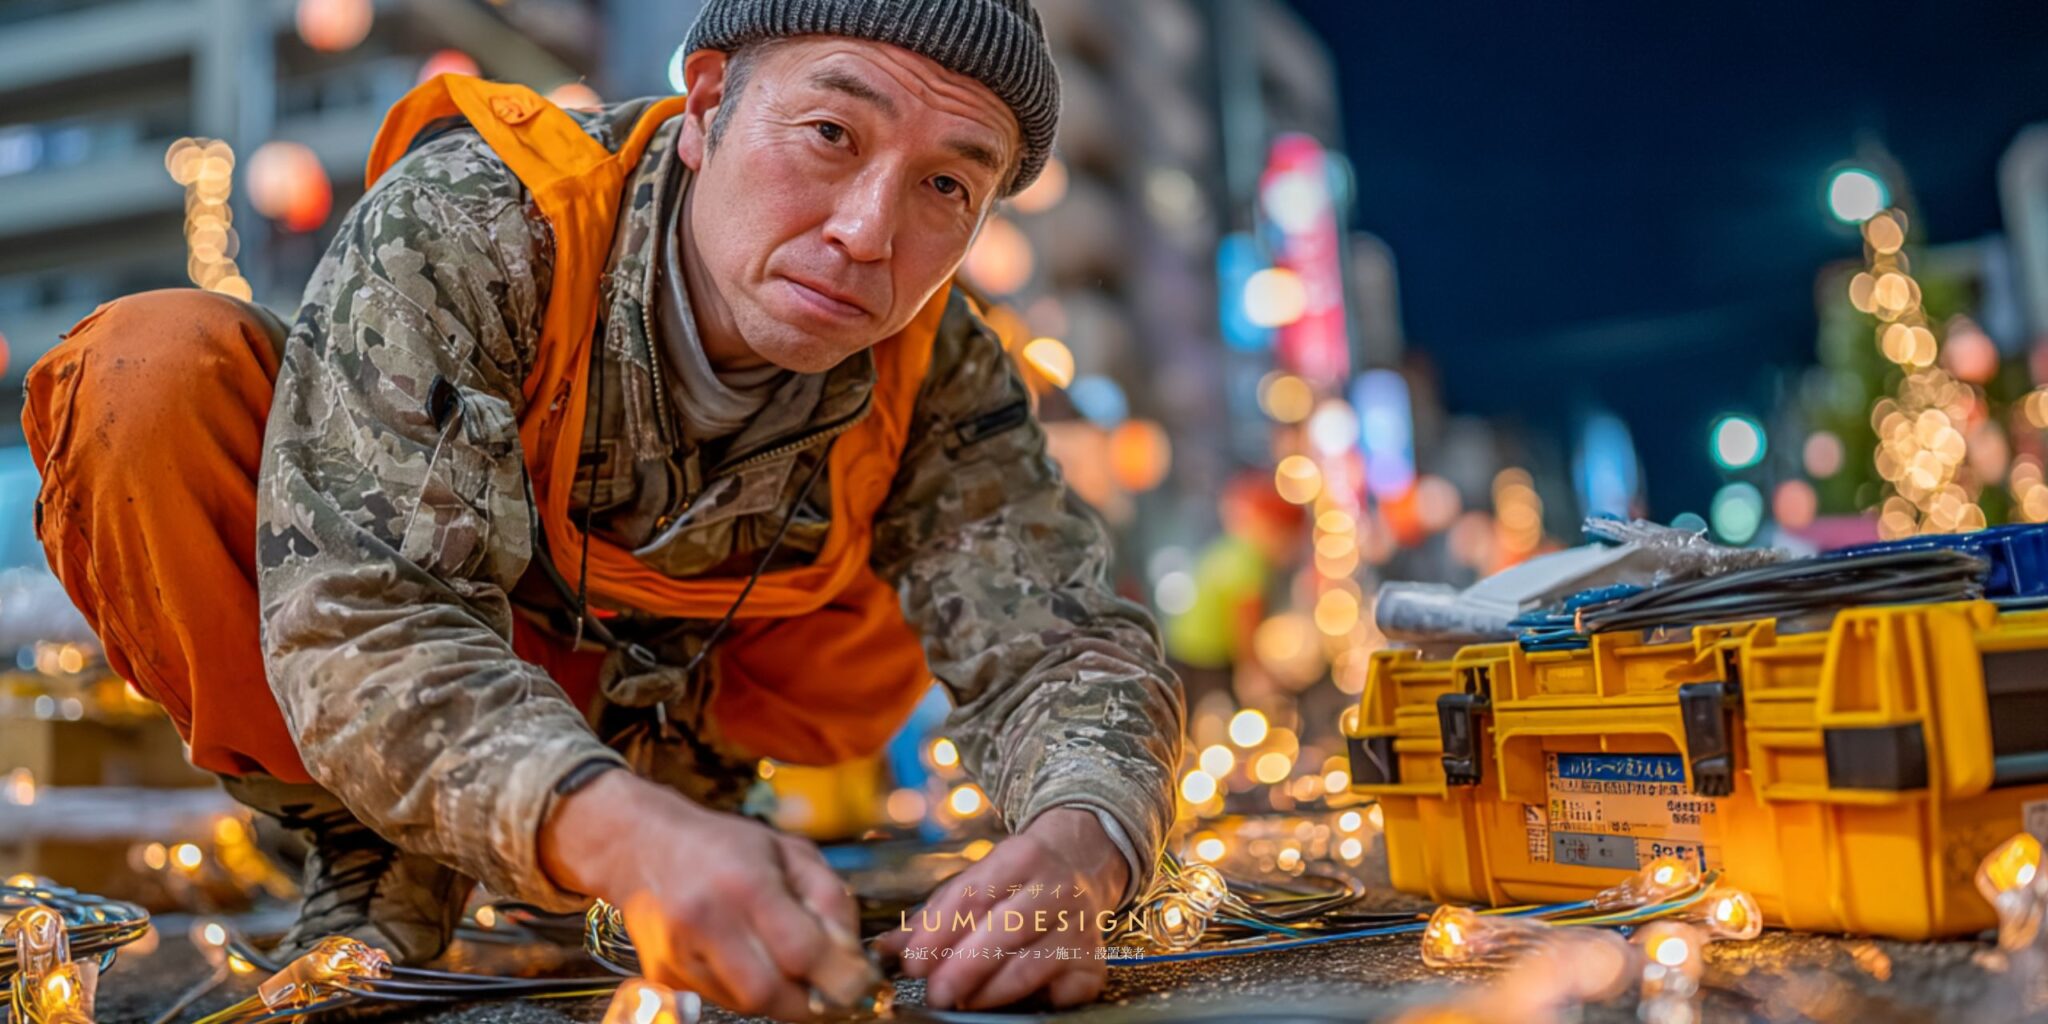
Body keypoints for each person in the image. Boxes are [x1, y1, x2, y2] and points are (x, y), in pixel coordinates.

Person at [20, 0, 1186, 1017]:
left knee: (942, 534)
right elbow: (365, 609)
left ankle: (688, 805)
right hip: (423, 668)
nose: (866, 233)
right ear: (707, 103)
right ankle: (371, 843)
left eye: (946, 184)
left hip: (691, 717)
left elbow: (1059, 639)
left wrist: (1082, 842)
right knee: (151, 375)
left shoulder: (938, 359)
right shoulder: (484, 216)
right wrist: (622, 836)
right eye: (831, 133)